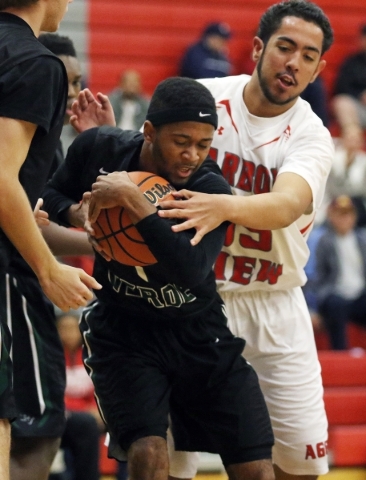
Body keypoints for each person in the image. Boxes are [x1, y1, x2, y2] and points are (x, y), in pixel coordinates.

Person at [42, 76, 275, 480]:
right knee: (148, 452)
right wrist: (78, 215)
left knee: (255, 466)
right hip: (124, 334)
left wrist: (133, 202)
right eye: (181, 141)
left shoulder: (208, 189)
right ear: (149, 132)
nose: (192, 155)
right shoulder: (100, 148)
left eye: (203, 144)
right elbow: (51, 196)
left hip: (199, 332)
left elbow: (188, 270)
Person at [156, 2, 335, 479]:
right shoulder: (202, 99)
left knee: (302, 463)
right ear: (258, 48)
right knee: (162, 458)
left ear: (319, 69)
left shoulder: (312, 136)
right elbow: (145, 170)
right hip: (191, 299)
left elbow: (286, 204)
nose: (293, 62)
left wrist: (220, 206)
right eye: (285, 47)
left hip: (273, 303)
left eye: (308, 55)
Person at [0, 2, 100, 479]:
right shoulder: (35, 62)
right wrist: (47, 267)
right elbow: (2, 182)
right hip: (9, 278)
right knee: (33, 426)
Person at [49, 311, 102, 480]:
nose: (69, 333)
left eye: (74, 328)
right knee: (84, 423)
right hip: (59, 413)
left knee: (90, 425)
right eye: (63, 328)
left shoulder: (93, 356)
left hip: (89, 415)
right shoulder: (49, 357)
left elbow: (101, 390)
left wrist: (97, 408)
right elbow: (50, 392)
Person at [313, 195, 366, 350]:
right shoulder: (325, 241)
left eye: (348, 214)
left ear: (354, 217)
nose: (344, 219)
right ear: (331, 216)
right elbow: (317, 276)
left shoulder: (361, 240)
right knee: (336, 305)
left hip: (358, 294)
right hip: (335, 294)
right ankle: (340, 352)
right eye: (339, 214)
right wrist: (312, 308)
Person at [331, 24, 366, 134]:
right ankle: (352, 138)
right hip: (358, 109)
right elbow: (341, 88)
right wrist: (360, 95)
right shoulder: (351, 62)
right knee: (341, 102)